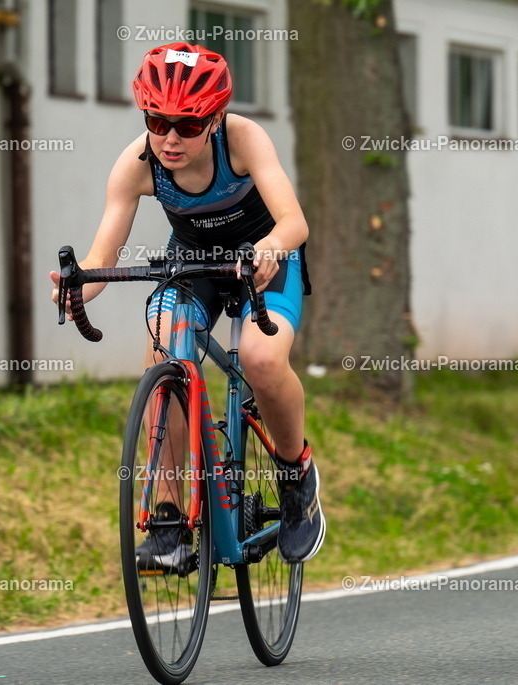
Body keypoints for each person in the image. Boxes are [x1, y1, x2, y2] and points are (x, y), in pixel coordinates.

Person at [50, 43, 325, 564]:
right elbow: (100, 258)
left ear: (216, 119)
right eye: (157, 120)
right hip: (193, 263)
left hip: (261, 258)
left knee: (262, 362)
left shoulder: (244, 140)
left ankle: (296, 478)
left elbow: (294, 222)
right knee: (164, 356)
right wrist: (74, 288)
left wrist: (269, 248)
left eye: (188, 125)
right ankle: (171, 520)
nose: (170, 137)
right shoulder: (135, 164)